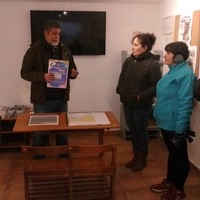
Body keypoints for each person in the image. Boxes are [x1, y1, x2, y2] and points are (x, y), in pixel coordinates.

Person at [21, 20, 79, 147]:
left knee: (62, 130)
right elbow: (24, 73)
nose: (57, 36)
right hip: (43, 100)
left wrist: (73, 73)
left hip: (61, 99)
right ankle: (39, 157)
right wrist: (43, 76)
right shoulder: (34, 50)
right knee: (41, 131)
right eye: (54, 33)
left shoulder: (65, 50)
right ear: (46, 33)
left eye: (58, 33)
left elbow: (72, 69)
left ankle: (63, 154)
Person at [150, 41, 196, 200]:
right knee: (173, 155)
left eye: (168, 53)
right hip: (165, 122)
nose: (165, 55)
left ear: (178, 57)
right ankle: (170, 182)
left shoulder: (186, 74)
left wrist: (179, 129)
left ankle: (178, 190)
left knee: (180, 157)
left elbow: (185, 103)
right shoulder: (172, 71)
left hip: (175, 124)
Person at [116, 33, 162, 171]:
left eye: (136, 45)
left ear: (145, 47)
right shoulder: (129, 61)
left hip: (141, 105)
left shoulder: (153, 64)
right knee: (133, 132)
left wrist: (140, 96)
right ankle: (135, 157)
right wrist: (120, 89)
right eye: (133, 44)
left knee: (140, 132)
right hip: (127, 102)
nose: (133, 47)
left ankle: (142, 159)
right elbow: (122, 77)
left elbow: (156, 86)